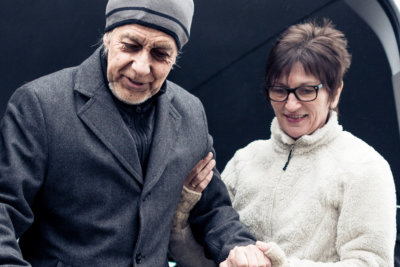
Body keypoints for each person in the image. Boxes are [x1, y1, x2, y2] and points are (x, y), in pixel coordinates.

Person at [0, 0, 272, 266]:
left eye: (160, 54)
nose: (141, 67)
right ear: (107, 37)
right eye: (131, 46)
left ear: (175, 58)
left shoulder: (191, 113)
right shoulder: (40, 104)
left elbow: (212, 209)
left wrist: (238, 246)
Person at [169, 19, 397, 266]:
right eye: (280, 90)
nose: (290, 104)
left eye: (306, 90)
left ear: (335, 92)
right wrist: (180, 220)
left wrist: (279, 265)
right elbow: (207, 262)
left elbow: (371, 262)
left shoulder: (365, 167)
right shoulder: (244, 160)